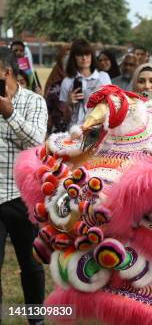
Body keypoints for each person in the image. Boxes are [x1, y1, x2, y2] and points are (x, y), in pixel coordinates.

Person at [0, 47, 46, 324]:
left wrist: (9, 114)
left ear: (6, 72)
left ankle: (36, 319)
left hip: (21, 196)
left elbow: (37, 142)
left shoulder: (34, 102)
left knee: (30, 264)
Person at [59, 39, 111, 127]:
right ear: (73, 58)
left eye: (87, 54)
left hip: (98, 129)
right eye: (79, 55)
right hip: (74, 130)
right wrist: (69, 103)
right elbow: (64, 118)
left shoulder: (103, 77)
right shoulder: (67, 81)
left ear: (92, 55)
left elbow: (111, 106)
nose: (84, 58)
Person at [44, 46, 69, 134]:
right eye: (65, 55)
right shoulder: (54, 80)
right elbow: (47, 109)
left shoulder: (83, 79)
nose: (68, 58)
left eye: (71, 55)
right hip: (57, 131)